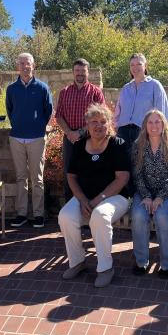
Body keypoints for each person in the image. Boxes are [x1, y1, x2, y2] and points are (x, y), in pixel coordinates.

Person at [58, 103, 130, 288]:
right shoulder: (80, 145)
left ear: (109, 124)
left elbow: (122, 178)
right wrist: (82, 200)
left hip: (115, 197)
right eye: (94, 122)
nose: (98, 125)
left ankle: (105, 268)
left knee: (99, 216)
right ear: (87, 125)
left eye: (103, 121)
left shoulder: (117, 144)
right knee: (65, 216)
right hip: (85, 198)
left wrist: (97, 201)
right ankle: (77, 262)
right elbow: (71, 176)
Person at [130, 110, 168, 278]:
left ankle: (167, 265)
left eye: (157, 122)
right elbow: (136, 174)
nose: (154, 126)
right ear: (145, 125)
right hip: (144, 192)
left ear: (163, 125)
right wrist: (145, 196)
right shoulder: (138, 147)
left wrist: (159, 197)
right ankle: (141, 262)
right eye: (150, 122)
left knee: (161, 215)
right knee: (138, 215)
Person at [6, 53, 53, 228]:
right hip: (16, 137)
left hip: (37, 138)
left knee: (37, 178)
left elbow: (48, 111)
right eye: (22, 63)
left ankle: (38, 214)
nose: (25, 66)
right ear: (17, 66)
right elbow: (10, 110)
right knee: (20, 177)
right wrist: (19, 124)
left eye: (28, 63)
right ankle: (21, 213)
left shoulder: (42, 88)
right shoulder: (11, 89)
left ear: (34, 66)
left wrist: (38, 126)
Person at [55, 58, 106, 200]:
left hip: (90, 138)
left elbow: (101, 117)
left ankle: (89, 210)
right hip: (69, 139)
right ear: (73, 72)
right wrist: (70, 133)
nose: (80, 74)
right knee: (69, 172)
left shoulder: (95, 92)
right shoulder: (64, 92)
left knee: (89, 171)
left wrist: (81, 132)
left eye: (83, 71)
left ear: (88, 72)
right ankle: (70, 209)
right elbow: (59, 116)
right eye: (77, 71)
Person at [114, 53, 168, 154]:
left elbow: (162, 113)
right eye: (132, 65)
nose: (135, 67)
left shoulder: (155, 86)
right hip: (123, 134)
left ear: (145, 66)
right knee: (123, 166)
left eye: (139, 64)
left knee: (139, 166)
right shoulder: (126, 88)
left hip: (143, 133)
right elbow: (118, 112)